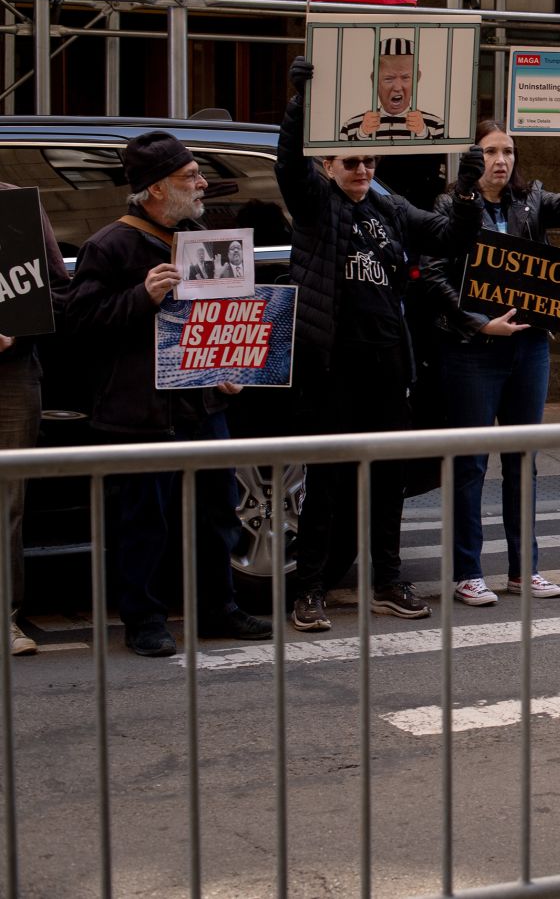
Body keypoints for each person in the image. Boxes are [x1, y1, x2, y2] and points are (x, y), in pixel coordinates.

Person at [278, 57, 481, 632]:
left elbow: (446, 236)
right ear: (328, 162)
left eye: (369, 159)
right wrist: (299, 105)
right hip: (333, 357)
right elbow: (288, 166)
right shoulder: (317, 201)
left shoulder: (387, 203)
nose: (362, 168)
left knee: (388, 475)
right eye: (351, 160)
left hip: (387, 355)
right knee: (330, 477)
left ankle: (388, 580)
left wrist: (465, 192)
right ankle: (310, 587)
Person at [63, 133, 272, 657]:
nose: (202, 185)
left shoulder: (202, 238)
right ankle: (144, 619)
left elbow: (222, 319)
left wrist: (231, 365)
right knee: (143, 524)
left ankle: (217, 608)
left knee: (215, 514)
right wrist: (141, 297)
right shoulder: (110, 245)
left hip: (203, 405)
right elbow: (78, 324)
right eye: (190, 177)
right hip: (138, 414)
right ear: (155, 189)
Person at [411, 120, 560, 605]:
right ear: (474, 158)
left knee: (523, 460)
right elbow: (432, 275)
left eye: (509, 151)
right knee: (471, 463)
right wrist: (476, 323)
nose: (501, 160)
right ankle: (467, 571)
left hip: (528, 347)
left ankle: (523, 570)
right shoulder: (450, 207)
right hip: (471, 350)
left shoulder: (530, 201)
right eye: (492, 151)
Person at [0, 183, 69, 655]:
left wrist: (15, 330)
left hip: (10, 371)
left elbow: (59, 292)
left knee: (6, 500)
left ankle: (3, 617)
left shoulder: (15, 204)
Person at [339, 37, 446, 142]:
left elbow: (444, 159)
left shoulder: (436, 126)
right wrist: (362, 134)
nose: (398, 87)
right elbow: (342, 157)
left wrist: (423, 133)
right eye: (388, 79)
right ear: (374, 81)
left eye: (405, 78)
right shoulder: (350, 128)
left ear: (416, 79)